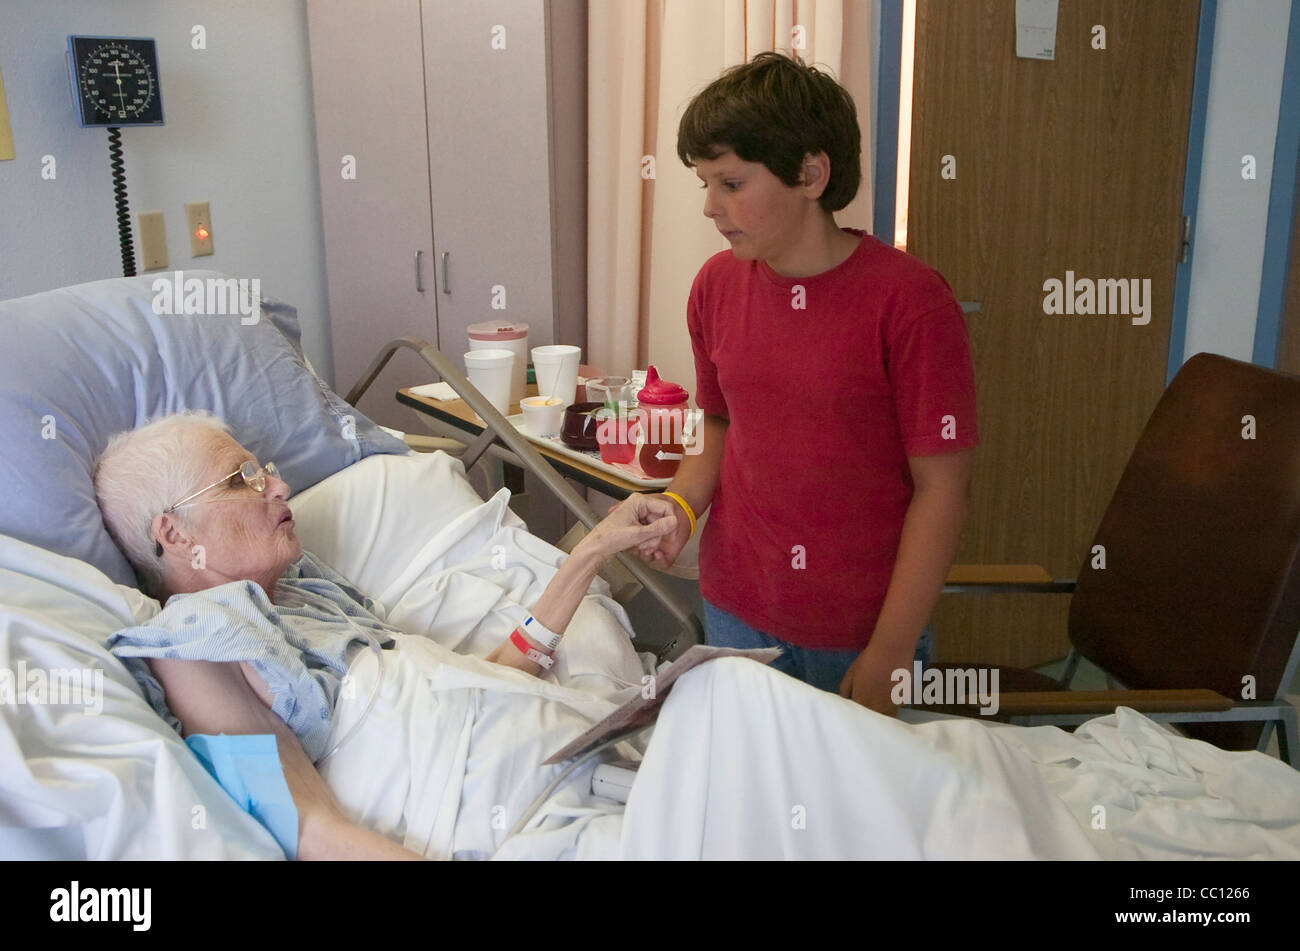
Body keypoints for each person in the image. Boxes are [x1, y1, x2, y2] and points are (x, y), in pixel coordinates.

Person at [93, 412, 679, 860]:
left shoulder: (306, 589)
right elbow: (311, 830)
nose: (277, 486)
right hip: (506, 819)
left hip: (570, 759)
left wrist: (593, 551)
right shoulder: (195, 638)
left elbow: (490, 675)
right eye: (241, 479)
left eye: (264, 470)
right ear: (171, 531)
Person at [640, 52, 979, 714]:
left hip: (860, 630)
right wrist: (681, 507)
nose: (711, 207)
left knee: (860, 812)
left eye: (732, 183)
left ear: (811, 174)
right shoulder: (716, 285)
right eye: (705, 184)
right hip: (738, 609)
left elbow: (944, 489)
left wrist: (890, 649)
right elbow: (717, 423)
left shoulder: (909, 302)